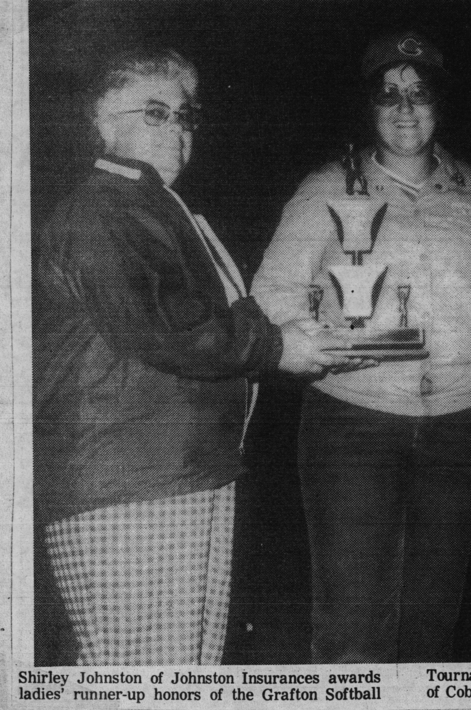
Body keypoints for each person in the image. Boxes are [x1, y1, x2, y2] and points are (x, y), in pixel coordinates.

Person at [33, 47, 353, 666]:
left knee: (179, 674)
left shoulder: (146, 204)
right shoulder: (104, 209)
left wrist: (280, 327)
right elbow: (174, 333)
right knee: (134, 682)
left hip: (176, 469)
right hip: (129, 479)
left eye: (185, 115)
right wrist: (281, 345)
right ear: (102, 119)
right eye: (156, 112)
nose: (177, 129)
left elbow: (191, 322)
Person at [251, 30, 471, 663]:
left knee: (433, 615)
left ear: (442, 104)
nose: (405, 110)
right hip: (353, 424)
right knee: (352, 617)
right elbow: (272, 288)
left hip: (466, 427)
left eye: (420, 94)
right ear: (368, 107)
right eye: (389, 96)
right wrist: (316, 342)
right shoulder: (327, 188)